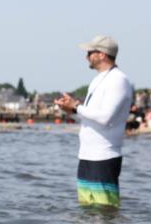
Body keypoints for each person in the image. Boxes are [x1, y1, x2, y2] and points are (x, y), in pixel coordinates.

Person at [55, 35, 134, 208]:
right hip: (87, 155)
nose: (86, 57)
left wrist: (76, 106)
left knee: (104, 213)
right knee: (87, 213)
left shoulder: (118, 80)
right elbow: (90, 116)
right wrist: (70, 111)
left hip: (104, 156)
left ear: (102, 54)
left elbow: (106, 117)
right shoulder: (98, 79)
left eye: (90, 52)